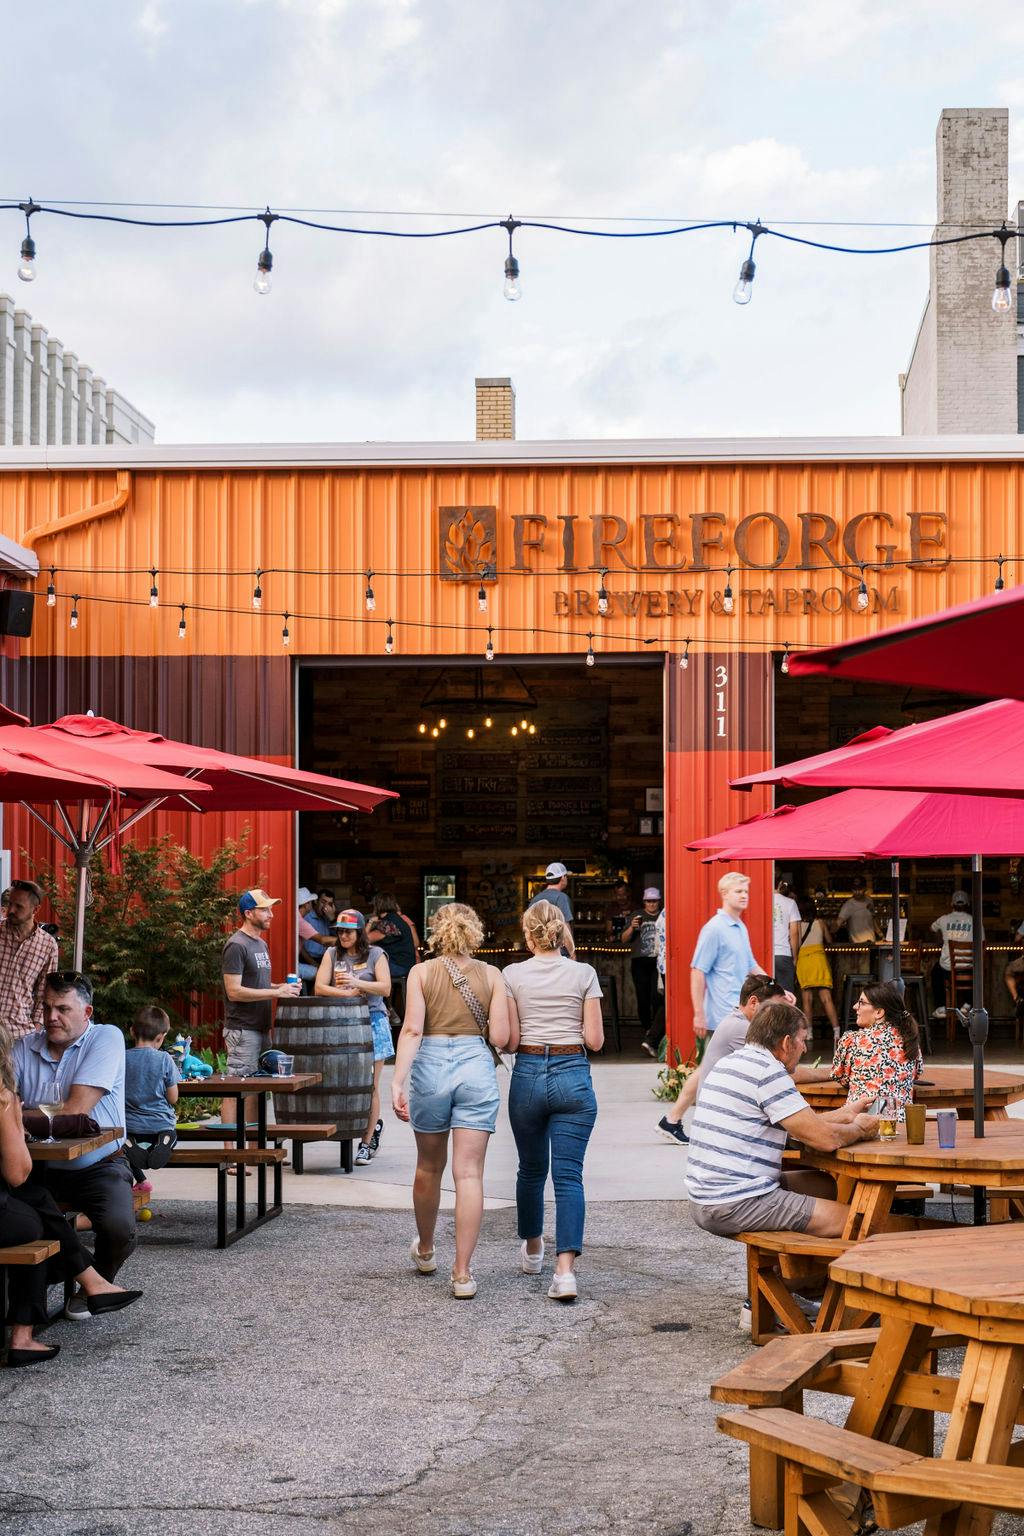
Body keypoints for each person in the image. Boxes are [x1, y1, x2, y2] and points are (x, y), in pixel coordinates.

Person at [0, 1022, 142, 1366]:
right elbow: (17, 1173)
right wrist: (13, 1116)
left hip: (91, 1169)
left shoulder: (104, 1037)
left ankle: (89, 1285)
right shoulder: (2, 1098)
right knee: (36, 1226)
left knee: (37, 1201)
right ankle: (24, 1335)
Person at [391, 903, 509, 1299]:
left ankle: (426, 1249)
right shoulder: (492, 975)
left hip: (431, 1065)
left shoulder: (421, 973)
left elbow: (412, 1030)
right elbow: (500, 1038)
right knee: (469, 1174)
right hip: (475, 1065)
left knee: (428, 1166)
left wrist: (397, 1081)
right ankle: (462, 1274)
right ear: (475, 932)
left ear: (436, 932)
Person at [685, 1001, 878, 1240]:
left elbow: (797, 1124)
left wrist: (845, 1113)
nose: (805, 1049)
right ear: (786, 1043)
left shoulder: (730, 1062)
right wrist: (860, 1128)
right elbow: (826, 1140)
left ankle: (805, 1261)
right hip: (735, 1201)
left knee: (822, 1184)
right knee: (856, 1221)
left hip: (703, 1196)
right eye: (802, 1040)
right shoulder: (768, 1071)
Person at [14, 972, 139, 1320]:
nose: (51, 1017)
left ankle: (91, 1286)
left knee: (118, 1227)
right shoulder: (23, 1047)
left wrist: (19, 1114)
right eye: (46, 1008)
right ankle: (64, 1283)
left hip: (99, 1164)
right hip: (35, 1166)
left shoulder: (106, 1037)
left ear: (86, 1013)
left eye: (63, 1009)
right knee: (25, 1220)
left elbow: (75, 1109)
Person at [503, 901, 604, 1303]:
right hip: (572, 1072)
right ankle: (565, 1273)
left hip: (528, 1071)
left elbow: (511, 1040)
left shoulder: (511, 975)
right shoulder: (584, 973)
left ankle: (533, 1247)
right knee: (568, 1176)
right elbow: (595, 1040)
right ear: (561, 934)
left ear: (528, 937)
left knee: (530, 1169)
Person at [656, 974, 786, 1145]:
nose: (778, 1016)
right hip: (719, 1114)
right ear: (753, 1002)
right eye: (774, 1009)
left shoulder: (740, 1022)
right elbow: (776, 1071)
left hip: (714, 1107)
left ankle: (672, 1119)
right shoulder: (741, 1028)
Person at [220, 889, 300, 1148]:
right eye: (264, 909)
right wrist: (276, 992)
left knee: (255, 1091)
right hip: (242, 1030)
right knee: (236, 1089)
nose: (271, 914)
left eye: (270, 909)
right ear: (248, 913)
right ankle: (230, 1154)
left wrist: (282, 987)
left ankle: (253, 1153)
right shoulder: (236, 945)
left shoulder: (260, 944)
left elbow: (258, 984)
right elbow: (234, 991)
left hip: (262, 1028)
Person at [315, 908, 392, 1165]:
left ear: (360, 932)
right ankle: (359, 1129)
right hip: (342, 1023)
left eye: (348, 931)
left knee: (370, 1086)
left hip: (373, 1021)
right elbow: (319, 986)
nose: (344, 936)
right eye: (340, 931)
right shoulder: (331, 953)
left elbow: (385, 987)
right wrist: (345, 993)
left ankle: (366, 1143)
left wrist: (357, 983)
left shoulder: (376, 954)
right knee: (345, 1083)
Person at [805, 981, 923, 1117]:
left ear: (879, 1012)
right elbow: (917, 1073)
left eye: (862, 1003)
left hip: (859, 1122)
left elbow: (840, 1077)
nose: (855, 1006)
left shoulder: (852, 1040)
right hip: (901, 1123)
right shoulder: (909, 1039)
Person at [690, 872, 767, 1040]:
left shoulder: (741, 927)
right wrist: (699, 1014)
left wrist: (776, 988)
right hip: (720, 1018)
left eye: (746, 891)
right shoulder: (714, 928)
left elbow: (751, 965)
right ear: (724, 894)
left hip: (740, 1013)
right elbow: (697, 971)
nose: (744, 895)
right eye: (738, 891)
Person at [123, 1005, 180, 1187]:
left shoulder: (121, 1058)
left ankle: (128, 1143)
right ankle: (164, 1143)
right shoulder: (164, 1059)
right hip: (160, 1125)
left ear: (132, 1031)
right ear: (160, 1037)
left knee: (121, 1144)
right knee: (171, 1132)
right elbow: (173, 1098)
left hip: (131, 1126)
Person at [0, 878, 59, 1041]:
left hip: (19, 1036)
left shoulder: (48, 945)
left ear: (36, 909)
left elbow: (44, 994)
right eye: (10, 904)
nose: (11, 910)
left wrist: (35, 1030)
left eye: (19, 906)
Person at [366, 893, 420, 1019]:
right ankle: (387, 1008)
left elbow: (364, 940)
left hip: (400, 966)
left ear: (378, 906)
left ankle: (383, 1009)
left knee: (367, 971)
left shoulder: (390, 924)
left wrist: (370, 922)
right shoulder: (394, 919)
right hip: (404, 964)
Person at [624, 888, 663, 1057]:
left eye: (654, 901)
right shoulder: (637, 915)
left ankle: (654, 1034)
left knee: (657, 998)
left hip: (658, 961)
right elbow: (624, 939)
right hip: (640, 961)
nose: (651, 904)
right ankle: (648, 1029)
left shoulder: (663, 915)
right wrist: (632, 928)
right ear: (644, 902)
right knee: (642, 998)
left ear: (659, 901)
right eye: (648, 901)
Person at [795, 895, 840, 1044]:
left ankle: (809, 1034)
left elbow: (795, 944)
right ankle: (836, 1032)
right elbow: (829, 940)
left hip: (804, 961)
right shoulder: (820, 922)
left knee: (807, 1000)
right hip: (819, 960)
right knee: (826, 998)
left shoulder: (796, 925)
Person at [930, 890, 977, 1016]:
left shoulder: (943, 919)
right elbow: (982, 942)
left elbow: (932, 929)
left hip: (948, 969)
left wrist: (941, 938)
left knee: (936, 971)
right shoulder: (975, 921)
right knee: (977, 972)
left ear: (952, 904)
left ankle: (941, 1007)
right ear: (968, 904)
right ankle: (967, 1004)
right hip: (969, 969)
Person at [526, 863, 575, 957]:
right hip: (559, 954)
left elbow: (528, 928)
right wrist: (572, 953)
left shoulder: (535, 899)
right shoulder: (561, 898)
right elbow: (565, 927)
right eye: (566, 877)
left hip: (539, 953)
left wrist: (534, 950)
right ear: (563, 878)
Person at [299, 888, 336, 982]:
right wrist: (348, 940)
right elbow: (322, 940)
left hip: (323, 959)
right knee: (325, 977)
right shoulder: (303, 918)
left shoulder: (327, 918)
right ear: (316, 902)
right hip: (307, 959)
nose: (325, 907)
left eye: (329, 904)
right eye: (323, 902)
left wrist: (332, 919)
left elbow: (335, 935)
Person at [771, 877, 800, 995]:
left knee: (766, 997)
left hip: (764, 956)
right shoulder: (790, 903)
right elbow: (794, 932)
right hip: (783, 954)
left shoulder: (760, 901)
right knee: (786, 997)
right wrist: (795, 957)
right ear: (780, 884)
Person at [836, 876, 876, 944]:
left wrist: (881, 935)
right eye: (854, 889)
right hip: (857, 944)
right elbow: (838, 923)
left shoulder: (869, 901)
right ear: (852, 890)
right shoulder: (848, 905)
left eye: (860, 889)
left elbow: (873, 919)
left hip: (872, 942)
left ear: (865, 889)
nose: (857, 892)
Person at [295, 886, 319, 987]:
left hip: (295, 963)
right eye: (310, 902)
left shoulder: (297, 917)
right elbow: (322, 940)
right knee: (322, 975)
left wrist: (313, 963)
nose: (312, 905)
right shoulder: (299, 921)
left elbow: (302, 950)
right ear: (306, 904)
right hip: (293, 966)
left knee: (320, 972)